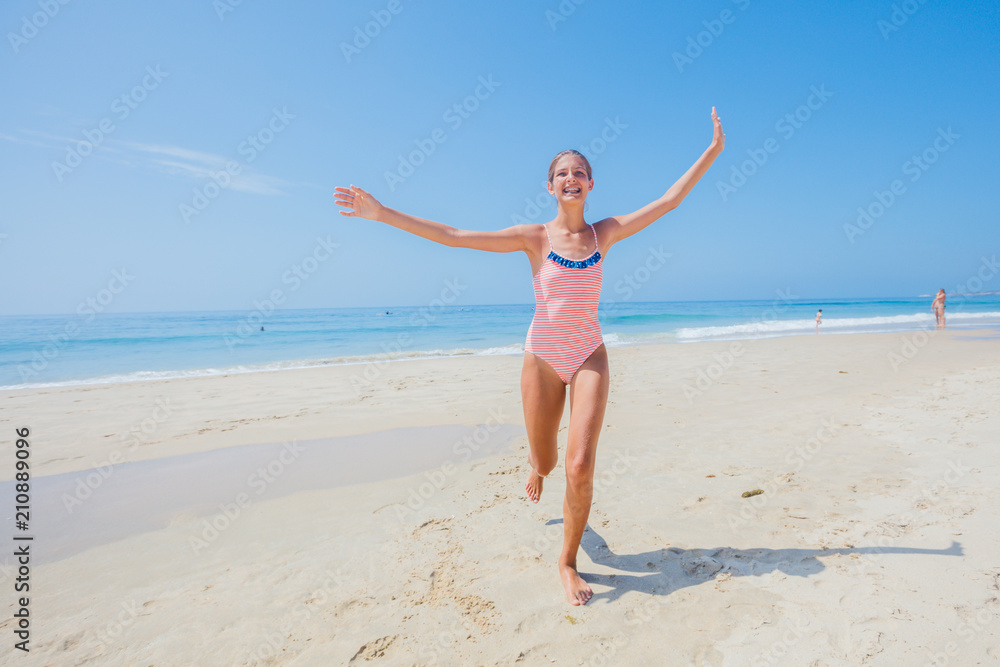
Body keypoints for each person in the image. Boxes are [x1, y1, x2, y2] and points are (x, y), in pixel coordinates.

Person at [334, 108, 725, 605]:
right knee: (546, 460)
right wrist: (382, 213)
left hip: (589, 355)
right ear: (550, 187)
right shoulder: (533, 238)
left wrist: (712, 150)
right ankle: (535, 467)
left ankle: (566, 562)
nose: (570, 178)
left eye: (578, 172)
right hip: (541, 357)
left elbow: (668, 202)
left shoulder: (603, 234)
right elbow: (453, 235)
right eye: (561, 173)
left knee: (579, 466)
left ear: (590, 184)